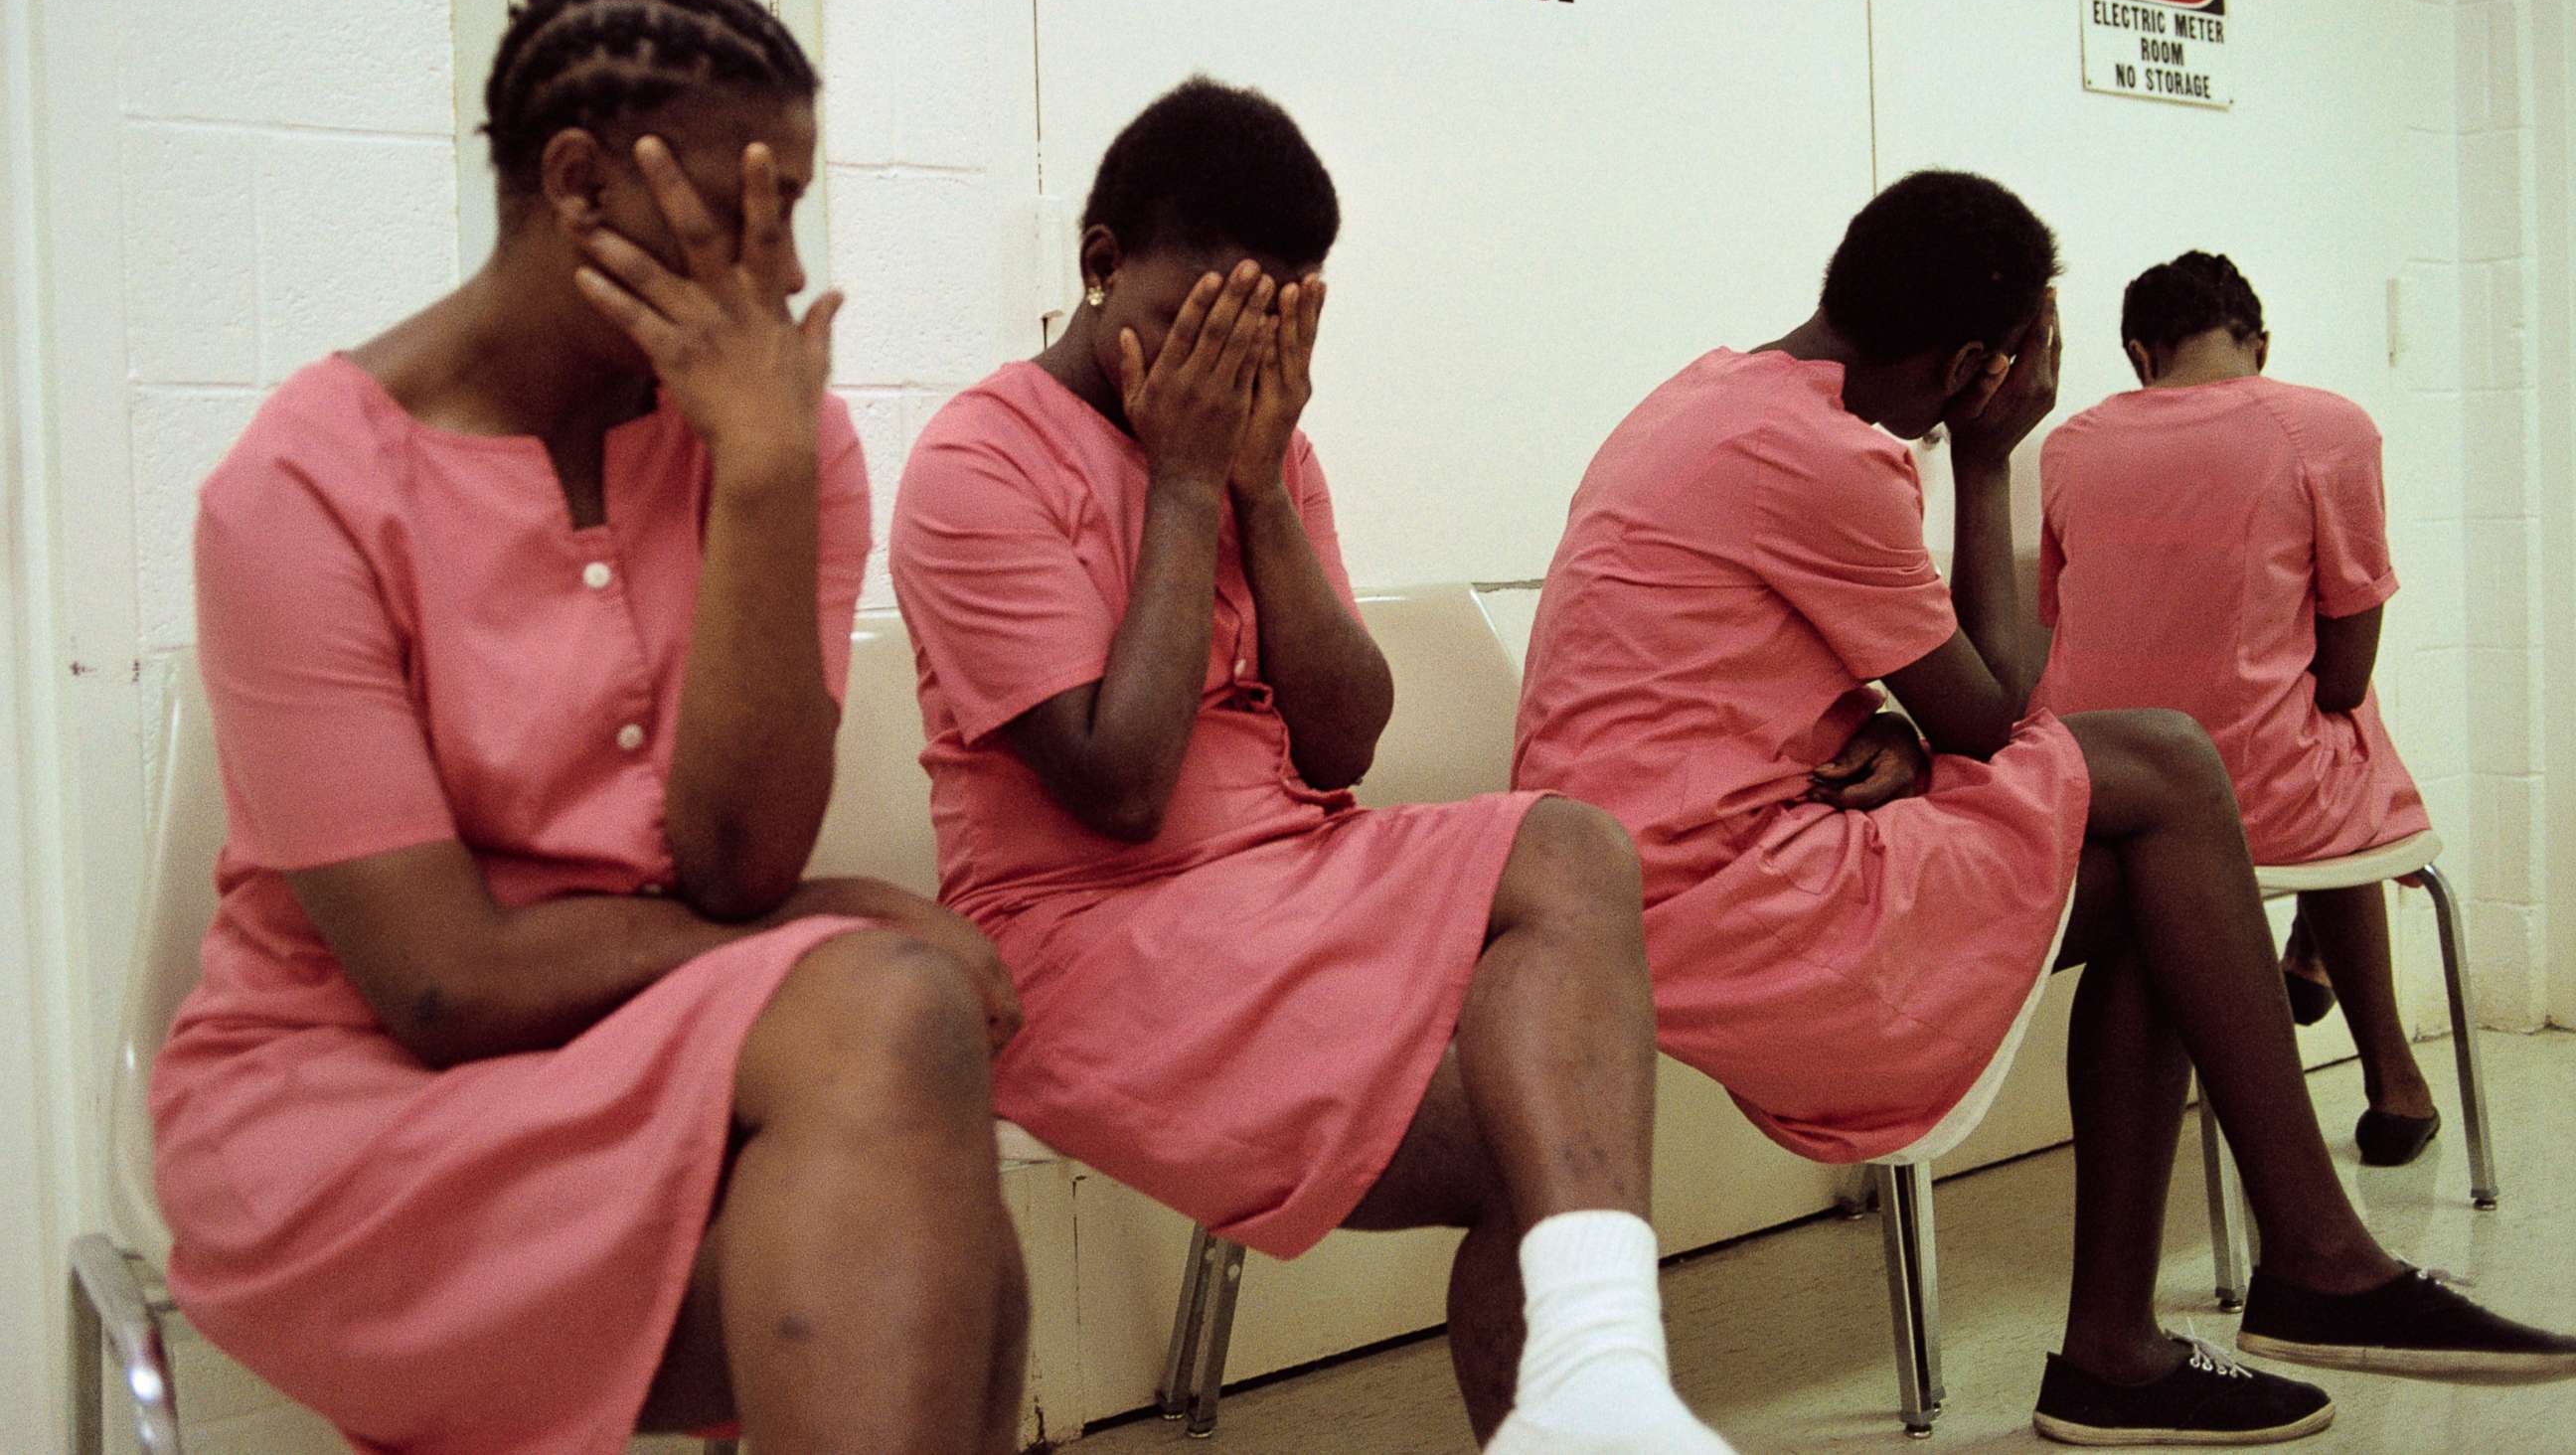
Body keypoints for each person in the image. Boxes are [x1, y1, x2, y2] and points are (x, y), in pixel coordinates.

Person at [1514, 171, 2576, 1449]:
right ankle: (2315, 1263)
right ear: (1975, 364)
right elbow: (1997, 707)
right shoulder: (1825, 453)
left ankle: (2126, 1352)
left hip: (1643, 864)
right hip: (1707, 902)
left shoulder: (1712, 397)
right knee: (2171, 767)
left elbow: (1744, 682)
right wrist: (1985, 455)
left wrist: (1887, 730)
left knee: (2152, 879)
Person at [151, 0, 1029, 1455]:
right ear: (576, 182)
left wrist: (756, 478)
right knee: (921, 1148)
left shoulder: (775, 447)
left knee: (913, 1123)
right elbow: (440, 981)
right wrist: (816, 927)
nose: (780, 260)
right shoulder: (297, 491)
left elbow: (735, 859)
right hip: (352, 1093)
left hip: (644, 1030)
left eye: (796, 207)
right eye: (751, 201)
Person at [890, 78, 1732, 1454]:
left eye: (1261, 340)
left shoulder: (1259, 449)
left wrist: (1261, 485)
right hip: (1089, 939)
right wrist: (1180, 482)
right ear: (1099, 266)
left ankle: (1596, 1385)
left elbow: (1345, 741)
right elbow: (1121, 787)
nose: (1221, 375)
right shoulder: (975, 464)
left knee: (1571, 847)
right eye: (1189, 328)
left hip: (1297, 876)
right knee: (1561, 1147)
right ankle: (1598, 1389)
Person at [2032, 251, 2442, 1165]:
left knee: (2304, 724)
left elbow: (2065, 620)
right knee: (2342, 719)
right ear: (2259, 341)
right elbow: (2342, 670)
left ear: (2141, 351)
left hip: (2100, 790)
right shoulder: (2327, 428)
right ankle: (2391, 1077)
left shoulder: (2069, 445)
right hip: (2255, 799)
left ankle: (2311, 956)